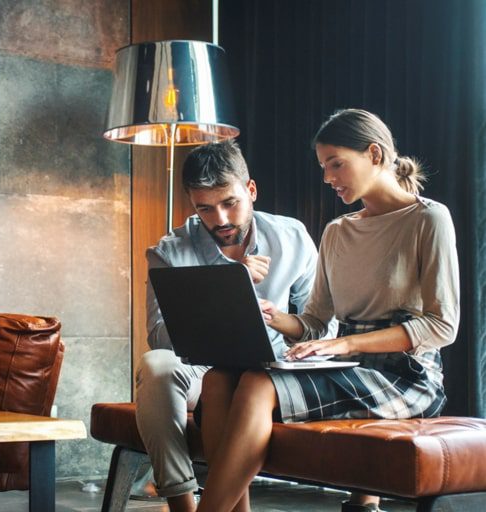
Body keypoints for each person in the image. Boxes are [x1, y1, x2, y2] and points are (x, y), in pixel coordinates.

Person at [195, 109, 460, 512]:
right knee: (221, 379)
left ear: (374, 154)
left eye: (336, 163)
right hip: (349, 364)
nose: (327, 177)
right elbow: (316, 323)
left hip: (407, 374)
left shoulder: (428, 219)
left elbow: (442, 325)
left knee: (258, 384)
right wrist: (267, 314)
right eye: (323, 166)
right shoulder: (337, 231)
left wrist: (346, 345)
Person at [136, 140, 329, 512]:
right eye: (204, 208)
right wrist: (230, 285)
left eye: (230, 203)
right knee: (155, 366)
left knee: (240, 382)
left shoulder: (292, 238)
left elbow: (319, 327)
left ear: (251, 190)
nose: (220, 220)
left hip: (270, 367)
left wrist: (284, 333)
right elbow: (158, 336)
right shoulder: (169, 251)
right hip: (198, 366)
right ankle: (182, 503)